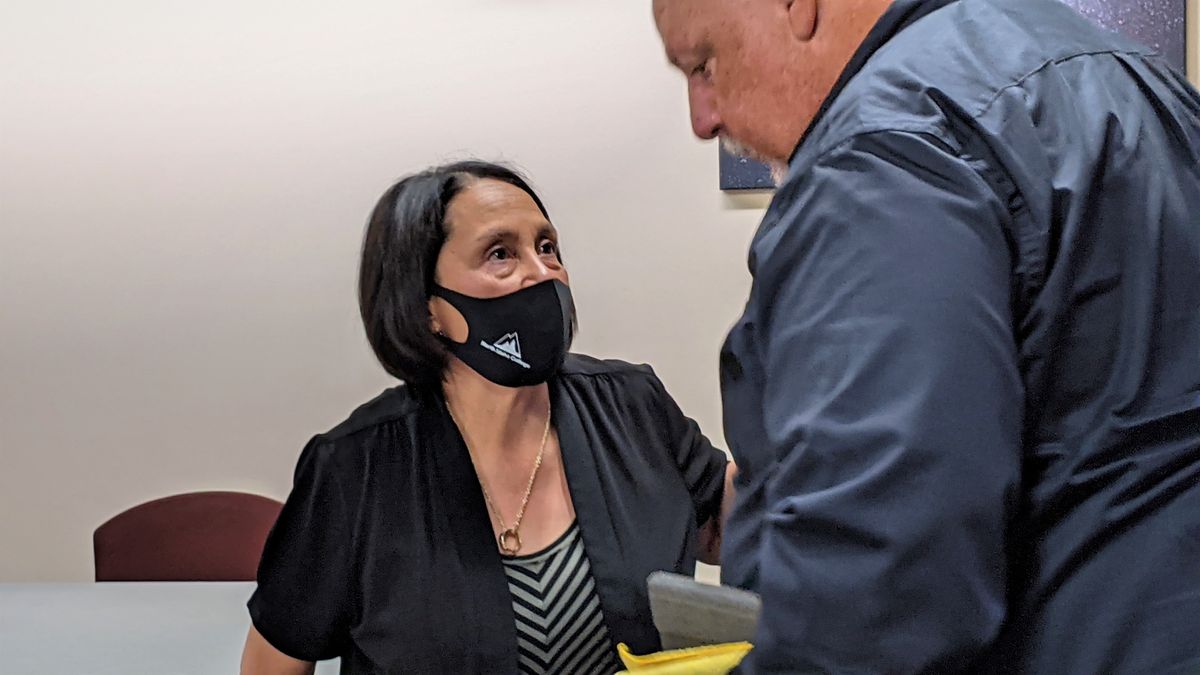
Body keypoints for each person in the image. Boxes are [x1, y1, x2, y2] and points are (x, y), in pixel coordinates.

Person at [652, 0, 1200, 672]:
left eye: (704, 65)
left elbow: (875, 591)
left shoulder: (883, 159)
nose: (702, 118)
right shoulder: (1129, 79)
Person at [240, 160, 733, 674]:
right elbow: (274, 661)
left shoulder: (632, 405)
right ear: (428, 306)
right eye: (500, 254)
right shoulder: (355, 469)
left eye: (547, 247)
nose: (542, 272)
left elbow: (723, 530)